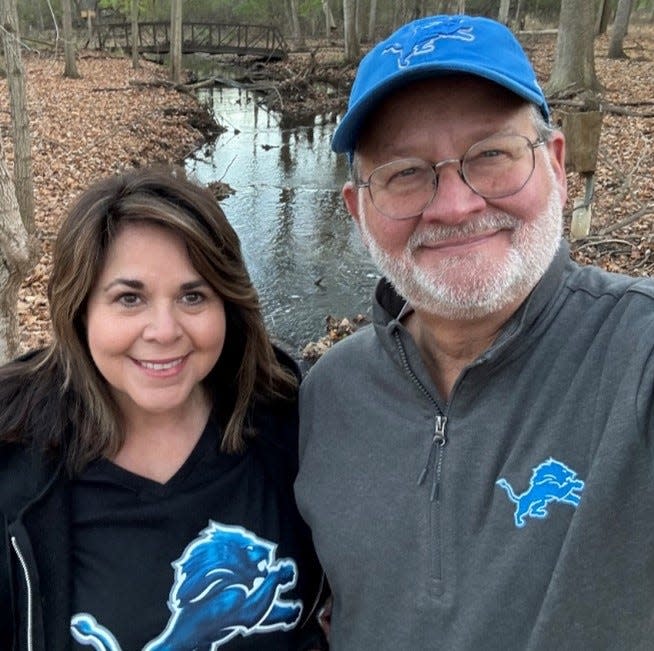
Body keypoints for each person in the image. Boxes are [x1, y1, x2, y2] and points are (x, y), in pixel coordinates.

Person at [294, 13, 654, 650]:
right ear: (358, 211)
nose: (455, 205)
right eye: (405, 172)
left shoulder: (635, 354)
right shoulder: (329, 394)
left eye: (491, 155)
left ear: (556, 166)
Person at [0, 167, 327, 651]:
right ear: (80, 310)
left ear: (227, 306)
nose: (164, 330)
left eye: (192, 296)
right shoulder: (12, 461)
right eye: (129, 298)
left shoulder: (292, 424)